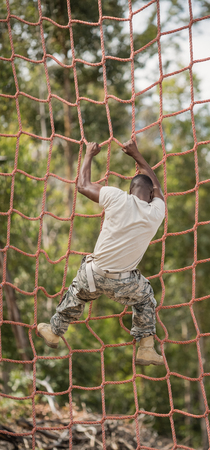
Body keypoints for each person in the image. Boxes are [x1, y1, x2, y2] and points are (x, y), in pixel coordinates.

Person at [37, 139, 165, 366]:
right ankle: (146, 347)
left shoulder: (117, 198)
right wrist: (137, 155)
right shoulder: (156, 212)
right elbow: (158, 189)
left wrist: (89, 154)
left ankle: (55, 331)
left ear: (130, 190)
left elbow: (83, 185)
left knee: (76, 294)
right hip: (124, 282)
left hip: (93, 275)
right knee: (145, 298)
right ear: (151, 194)